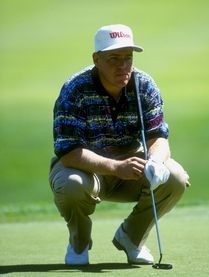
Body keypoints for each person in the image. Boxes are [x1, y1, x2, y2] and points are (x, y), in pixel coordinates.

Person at [49, 24, 190, 266]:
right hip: (86, 170)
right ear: (96, 59)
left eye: (128, 58)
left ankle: (132, 239)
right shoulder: (74, 90)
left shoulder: (144, 85)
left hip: (131, 166)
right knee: (70, 185)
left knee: (175, 177)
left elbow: (159, 138)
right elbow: (68, 152)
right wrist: (115, 167)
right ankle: (79, 241)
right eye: (114, 58)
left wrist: (155, 162)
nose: (123, 65)